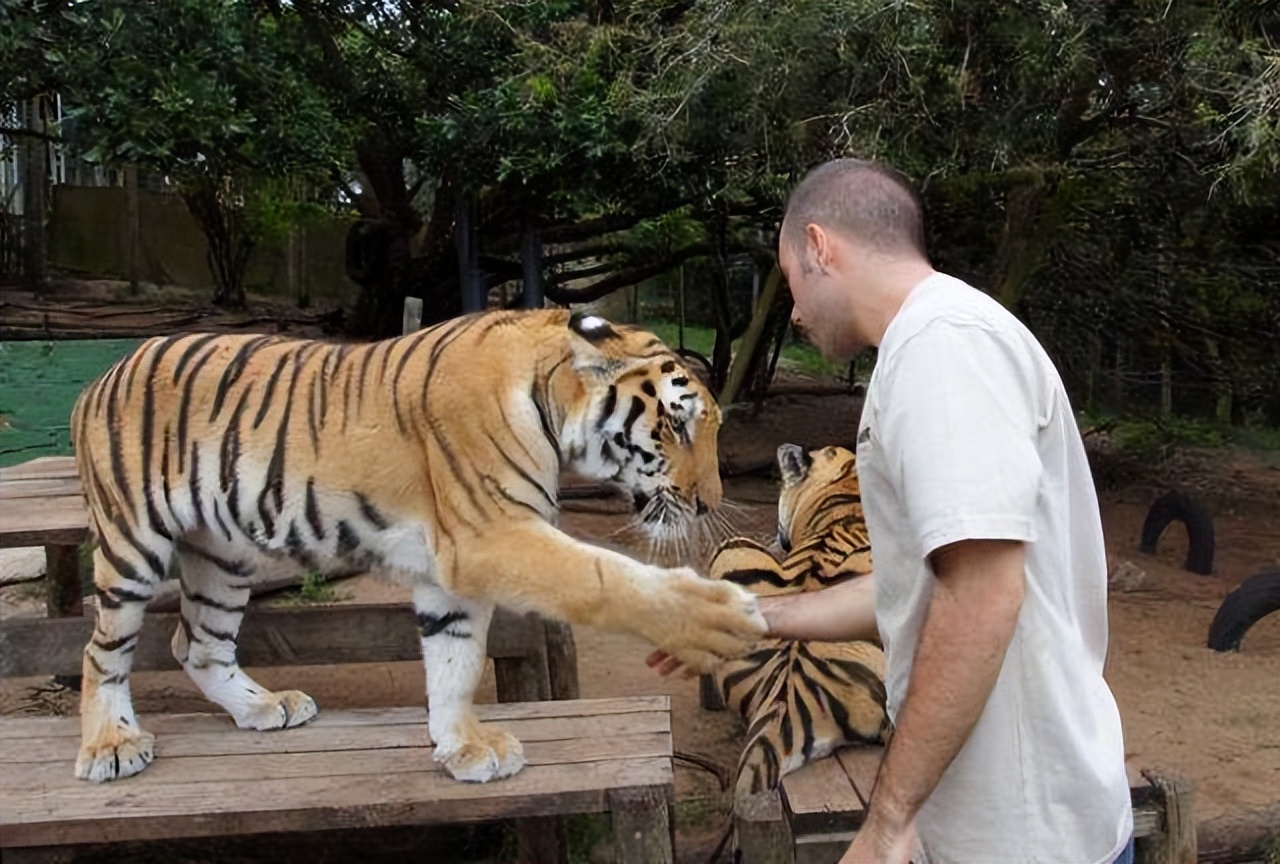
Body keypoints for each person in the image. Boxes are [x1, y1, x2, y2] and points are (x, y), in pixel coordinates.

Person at [650, 158, 1134, 864]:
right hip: (998, 825)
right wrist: (758, 616)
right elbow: (922, 586)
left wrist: (886, 822)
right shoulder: (929, 347)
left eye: (789, 281)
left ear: (820, 248)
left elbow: (981, 596)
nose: (793, 310)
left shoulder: (944, 348)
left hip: (1025, 833)